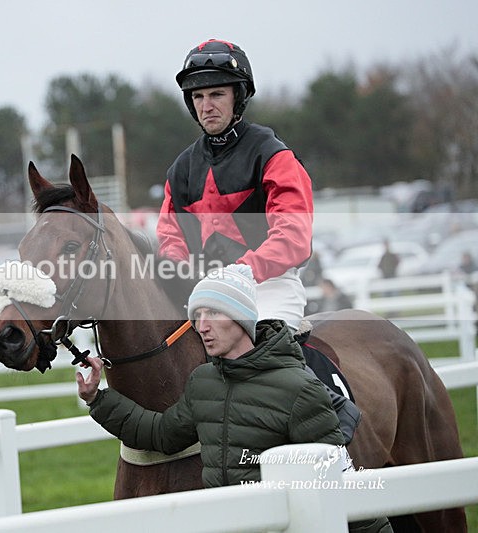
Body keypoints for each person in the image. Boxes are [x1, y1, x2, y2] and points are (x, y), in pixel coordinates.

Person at [76, 265, 391, 532]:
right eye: (197, 315)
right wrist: (98, 399)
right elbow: (161, 434)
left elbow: (340, 485)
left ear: (241, 318)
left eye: (213, 313)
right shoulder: (202, 382)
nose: (202, 326)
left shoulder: (301, 389)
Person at [156, 38, 313, 331]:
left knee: (260, 351)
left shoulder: (273, 155)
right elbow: (170, 237)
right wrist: (180, 270)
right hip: (205, 292)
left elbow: (294, 236)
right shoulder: (181, 169)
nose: (206, 106)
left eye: (217, 94)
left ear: (238, 96)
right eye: (198, 96)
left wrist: (242, 272)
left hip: (268, 287)